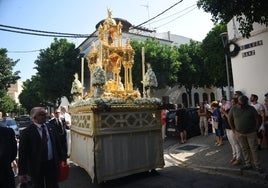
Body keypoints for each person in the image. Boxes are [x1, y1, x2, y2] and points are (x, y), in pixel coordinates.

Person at [18, 107, 66, 188]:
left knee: (53, 185)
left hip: (51, 164)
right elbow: (22, 153)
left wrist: (62, 159)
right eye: (41, 114)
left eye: (45, 114)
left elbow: (58, 145)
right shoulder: (27, 132)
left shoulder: (51, 127)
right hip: (36, 166)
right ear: (34, 117)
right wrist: (22, 172)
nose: (45, 116)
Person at [228, 95, 263, 173]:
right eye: (241, 104)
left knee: (253, 149)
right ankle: (248, 164)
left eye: (244, 104)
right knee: (244, 149)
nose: (242, 106)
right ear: (238, 102)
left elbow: (257, 118)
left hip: (251, 133)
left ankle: (258, 166)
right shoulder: (233, 109)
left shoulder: (251, 108)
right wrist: (233, 129)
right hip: (239, 133)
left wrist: (256, 129)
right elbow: (229, 118)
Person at [221, 97, 242, 165]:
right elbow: (224, 117)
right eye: (231, 102)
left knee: (236, 143)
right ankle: (234, 156)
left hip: (233, 128)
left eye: (233, 102)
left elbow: (229, 117)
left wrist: (224, 112)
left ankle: (239, 158)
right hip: (227, 128)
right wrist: (222, 113)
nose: (232, 103)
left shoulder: (237, 110)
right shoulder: (229, 109)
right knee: (232, 143)